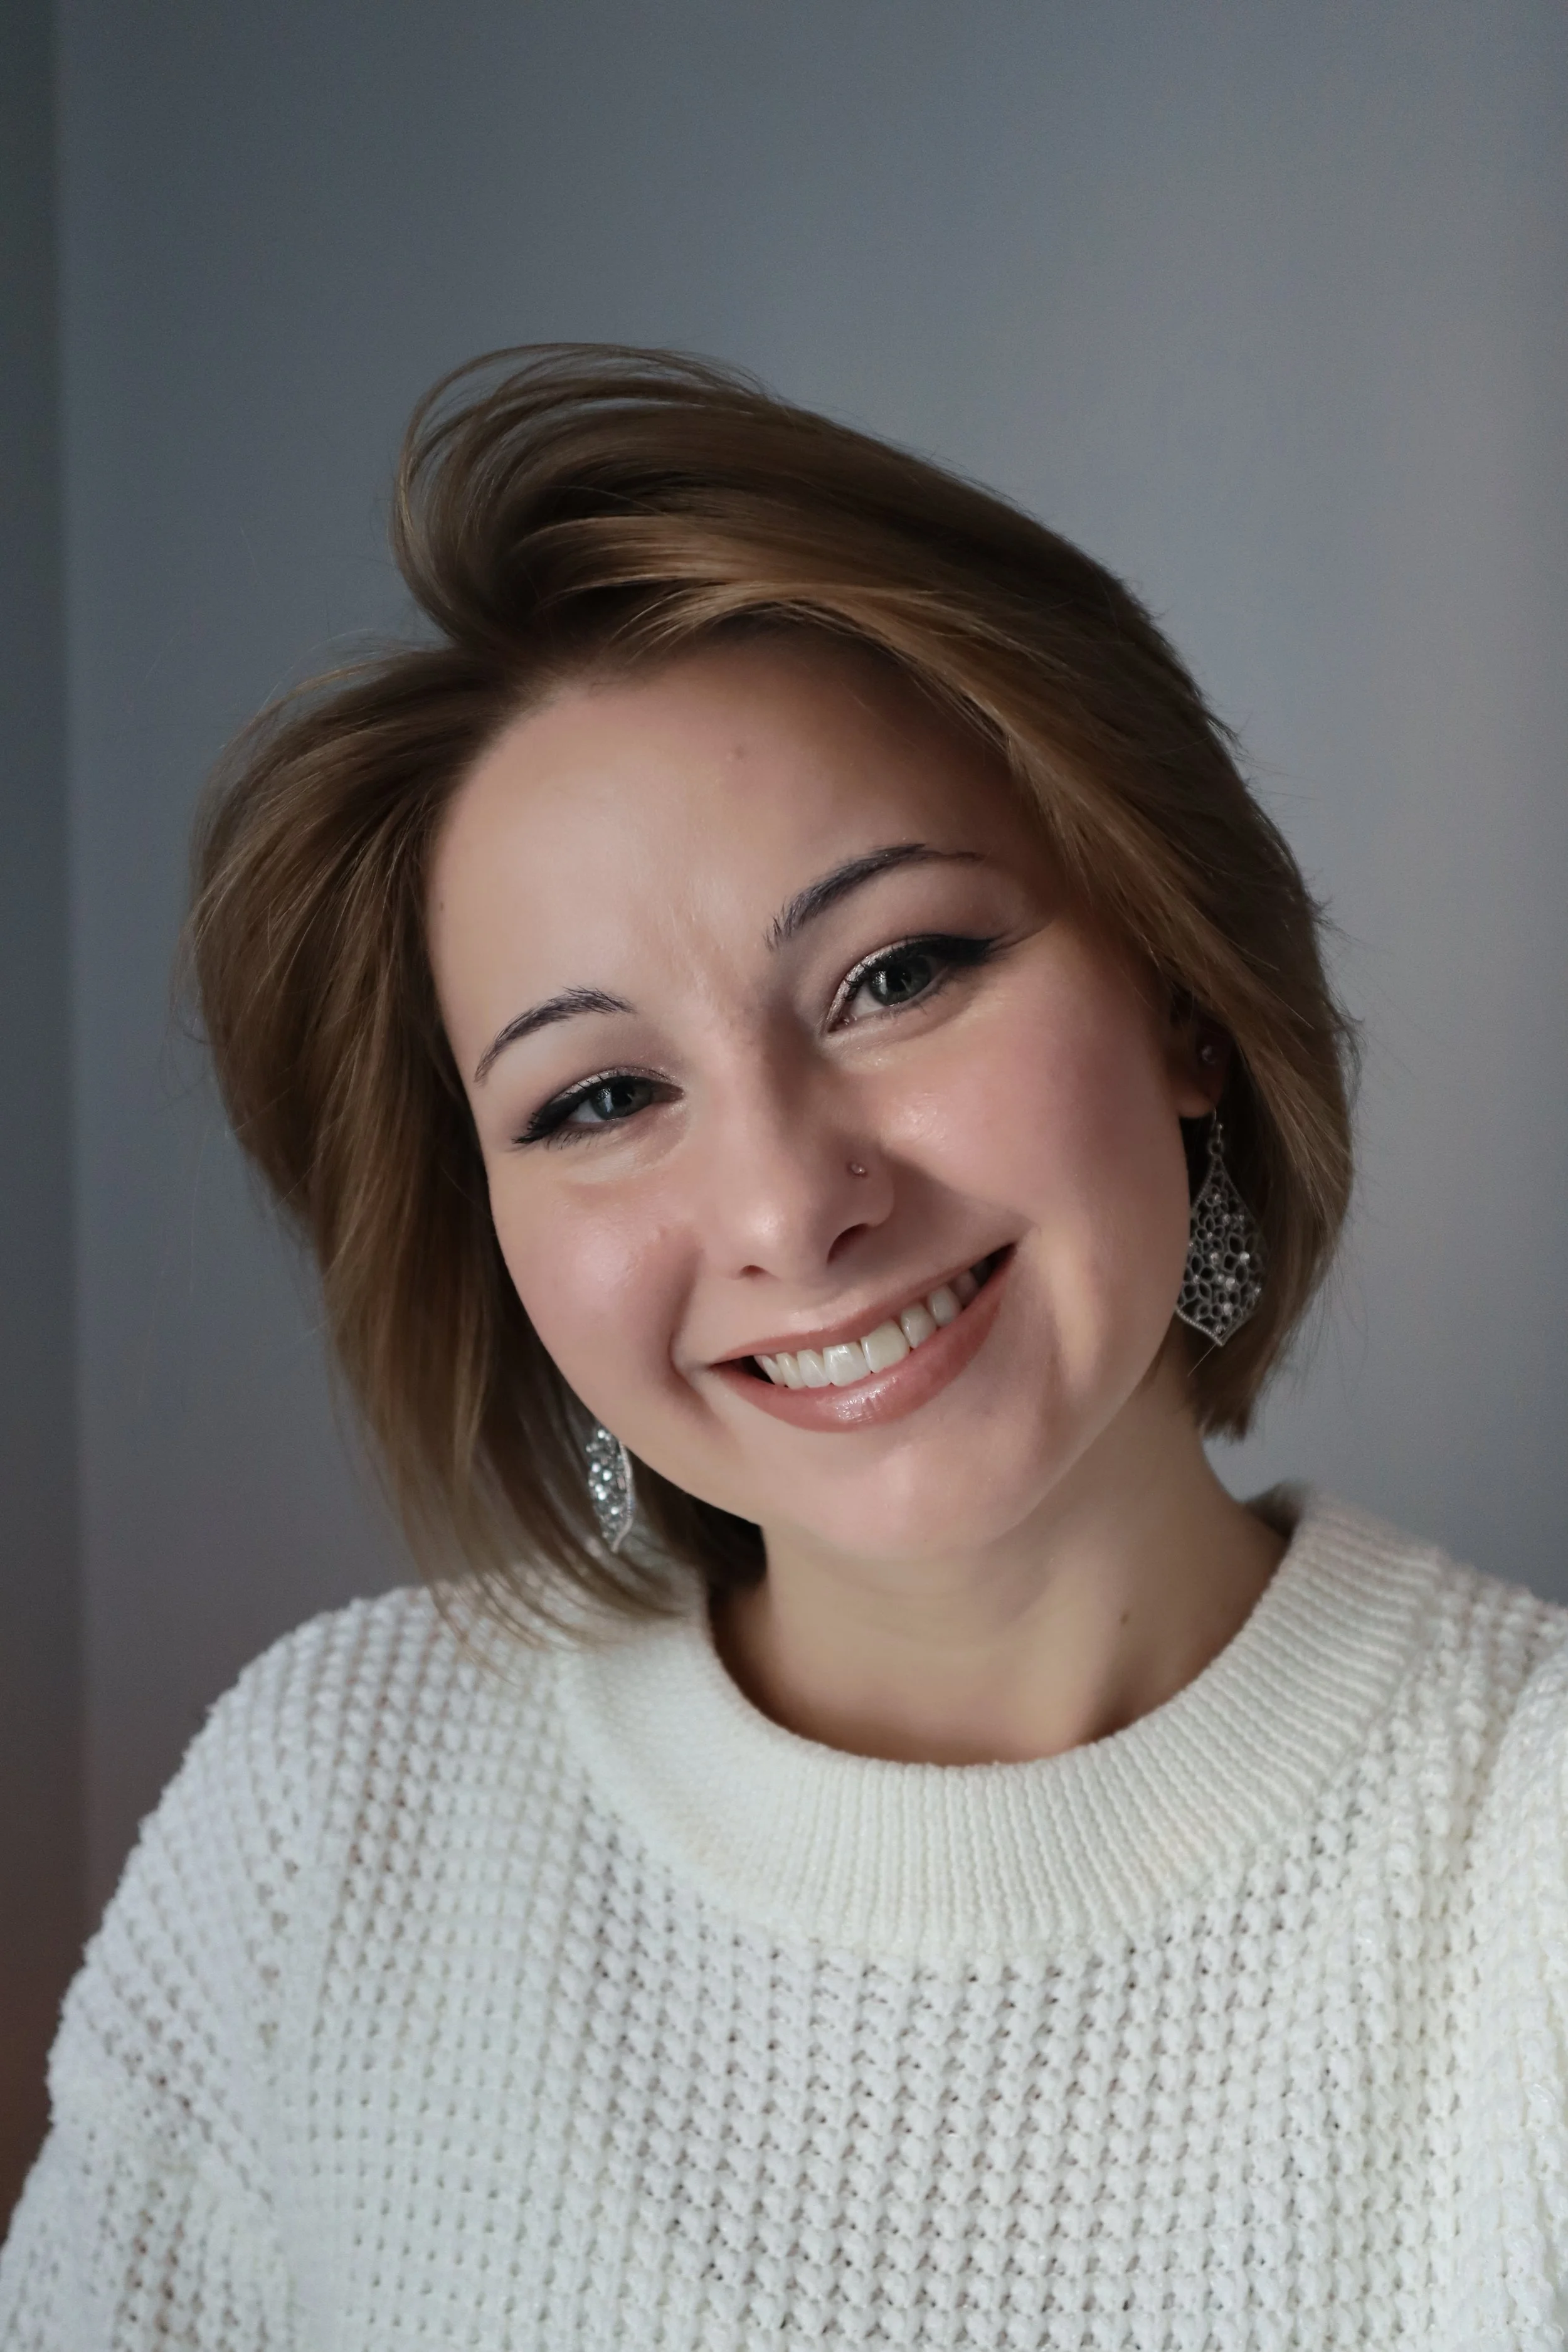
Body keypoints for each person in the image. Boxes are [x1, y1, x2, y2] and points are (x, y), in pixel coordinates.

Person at [3, 347, 1564, 2348]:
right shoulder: (327, 1818)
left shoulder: (1524, 1855)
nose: (782, 1206)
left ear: (1178, 991)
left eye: (897, 973)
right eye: (593, 1099)